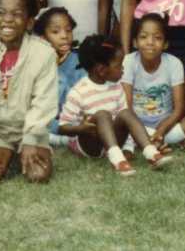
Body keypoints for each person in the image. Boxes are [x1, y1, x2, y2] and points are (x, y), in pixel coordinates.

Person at [0, 0, 57, 184]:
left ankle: (23, 153)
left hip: (31, 129)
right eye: (1, 13)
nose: (7, 20)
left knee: (38, 175)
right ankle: (7, 154)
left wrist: (31, 139)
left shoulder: (44, 54)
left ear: (29, 23)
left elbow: (44, 102)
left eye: (16, 14)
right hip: (0, 131)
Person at [57, 35, 172, 176]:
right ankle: (117, 160)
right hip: (90, 144)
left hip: (113, 140)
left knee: (126, 113)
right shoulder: (78, 92)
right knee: (102, 114)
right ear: (101, 70)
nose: (123, 69)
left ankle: (151, 153)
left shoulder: (117, 88)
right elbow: (62, 127)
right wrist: (81, 128)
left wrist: (128, 148)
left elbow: (126, 124)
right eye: (119, 65)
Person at [122, 14, 185, 149]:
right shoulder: (129, 61)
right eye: (143, 37)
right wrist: (141, 130)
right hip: (135, 124)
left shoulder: (174, 63)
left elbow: (179, 109)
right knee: (119, 119)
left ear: (165, 44)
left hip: (166, 125)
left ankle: (153, 139)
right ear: (134, 42)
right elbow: (127, 107)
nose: (150, 42)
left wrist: (161, 130)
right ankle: (159, 140)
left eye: (157, 38)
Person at [33, 7, 84, 147]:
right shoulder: (38, 64)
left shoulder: (80, 61)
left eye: (68, 30)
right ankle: (62, 139)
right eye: (56, 32)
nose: (64, 36)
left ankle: (68, 136)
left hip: (74, 117)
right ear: (43, 37)